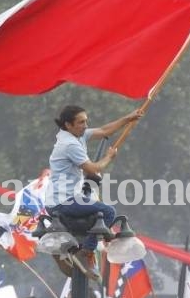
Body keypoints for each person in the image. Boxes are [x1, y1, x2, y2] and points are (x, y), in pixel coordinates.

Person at [45, 105, 142, 267]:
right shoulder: (70, 145)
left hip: (66, 199)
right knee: (108, 212)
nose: (86, 125)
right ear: (68, 125)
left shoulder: (77, 135)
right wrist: (109, 157)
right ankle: (86, 252)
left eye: (86, 121)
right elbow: (93, 169)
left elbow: (105, 131)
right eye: (81, 122)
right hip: (62, 203)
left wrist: (128, 118)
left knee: (98, 218)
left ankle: (75, 248)